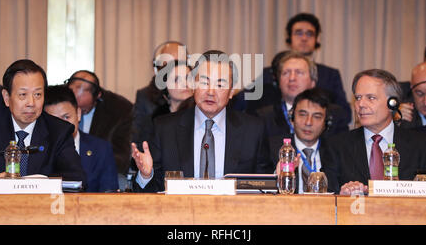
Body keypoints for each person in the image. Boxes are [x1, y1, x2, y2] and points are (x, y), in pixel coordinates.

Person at [131, 50, 274, 192]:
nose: (210, 92)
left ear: (231, 92)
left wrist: (277, 179)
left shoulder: (253, 130)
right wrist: (146, 175)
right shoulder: (165, 129)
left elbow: (264, 187)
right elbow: (151, 192)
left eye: (220, 85)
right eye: (204, 82)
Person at [322, 69, 426, 195]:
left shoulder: (423, 145)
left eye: (371, 98)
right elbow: (327, 195)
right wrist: (342, 196)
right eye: (358, 98)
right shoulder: (336, 146)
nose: (361, 104)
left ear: (392, 103)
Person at [233, 13, 351, 125]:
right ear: (289, 38)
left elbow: (345, 114)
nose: (304, 38)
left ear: (316, 39)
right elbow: (241, 101)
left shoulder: (330, 75)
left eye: (309, 34)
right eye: (298, 33)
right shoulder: (270, 72)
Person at [0, 59, 86, 183]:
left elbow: (76, 179)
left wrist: (36, 184)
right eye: (23, 95)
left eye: (37, 94)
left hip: (42, 202)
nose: (31, 103)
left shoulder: (59, 131)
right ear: (6, 97)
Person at [256, 52, 349, 139]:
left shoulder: (335, 114)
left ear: (313, 82)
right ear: (279, 82)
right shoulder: (263, 118)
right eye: (286, 73)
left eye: (299, 72)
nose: (292, 78)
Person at [44, 85, 119, 192]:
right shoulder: (38, 150)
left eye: (66, 117)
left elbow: (109, 193)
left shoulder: (101, 149)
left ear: (78, 114)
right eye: (54, 120)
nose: (62, 126)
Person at [66, 70, 133, 188]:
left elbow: (122, 157)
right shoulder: (56, 103)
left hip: (99, 174)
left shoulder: (120, 111)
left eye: (83, 109)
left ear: (98, 96)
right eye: (73, 109)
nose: (78, 115)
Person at [271, 88, 331, 194]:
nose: (308, 122)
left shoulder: (334, 151)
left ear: (325, 124)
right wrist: (279, 176)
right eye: (303, 114)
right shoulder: (273, 148)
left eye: (317, 117)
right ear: (292, 119)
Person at [132, 59, 194, 144]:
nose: (185, 83)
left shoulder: (203, 114)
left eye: (188, 78)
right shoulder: (155, 120)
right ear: (165, 88)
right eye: (177, 80)